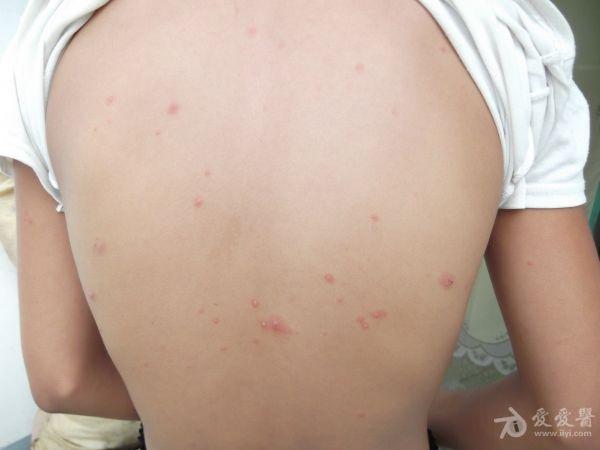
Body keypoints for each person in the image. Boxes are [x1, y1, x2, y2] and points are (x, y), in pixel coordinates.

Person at [1, 0, 598, 449]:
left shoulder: (58, 31)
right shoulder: (501, 34)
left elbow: (63, 378)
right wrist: (432, 409)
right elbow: (580, 420)